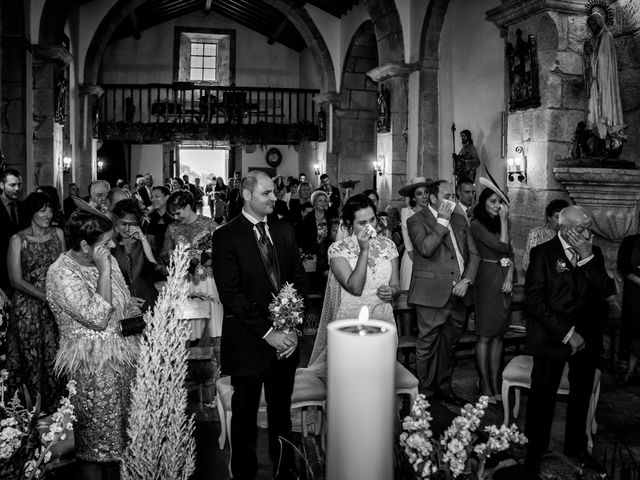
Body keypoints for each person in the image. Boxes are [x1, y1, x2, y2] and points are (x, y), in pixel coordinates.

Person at [212, 171, 307, 480]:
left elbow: (298, 279)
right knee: (244, 418)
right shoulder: (226, 235)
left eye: (273, 192)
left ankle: (285, 471)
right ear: (247, 195)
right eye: (267, 193)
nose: (274, 197)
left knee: (282, 417)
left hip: (286, 344)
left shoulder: (283, 229)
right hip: (249, 342)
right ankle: (244, 474)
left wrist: (291, 328)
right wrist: (270, 334)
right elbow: (232, 295)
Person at [46, 205, 140, 475]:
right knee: (96, 447)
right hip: (92, 370)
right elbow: (98, 318)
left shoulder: (105, 258)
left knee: (121, 443)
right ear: (85, 245)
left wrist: (141, 324)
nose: (113, 243)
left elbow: (127, 306)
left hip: (123, 363)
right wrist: (104, 271)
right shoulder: (62, 273)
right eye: (106, 241)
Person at [524, 205, 615, 474]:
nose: (587, 233)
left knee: (581, 395)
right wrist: (566, 333)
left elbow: (607, 291)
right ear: (563, 229)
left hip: (587, 337)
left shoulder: (593, 252)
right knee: (542, 396)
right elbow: (534, 302)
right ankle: (534, 451)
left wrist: (587, 258)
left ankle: (575, 448)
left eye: (589, 228)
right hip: (553, 337)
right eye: (581, 229)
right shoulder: (542, 254)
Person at [305, 194, 400, 374]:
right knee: (351, 381)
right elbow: (355, 288)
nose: (370, 226)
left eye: (372, 219)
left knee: (381, 379)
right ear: (349, 224)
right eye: (362, 223)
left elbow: (396, 284)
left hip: (384, 322)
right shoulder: (337, 250)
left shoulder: (388, 246)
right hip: (350, 324)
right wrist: (364, 250)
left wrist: (392, 291)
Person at [407, 179, 480, 405]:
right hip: (431, 293)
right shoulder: (416, 220)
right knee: (427, 346)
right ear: (432, 197)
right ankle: (425, 395)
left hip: (460, 292)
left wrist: (466, 280)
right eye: (447, 196)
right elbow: (426, 248)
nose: (451, 201)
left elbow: (474, 255)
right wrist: (442, 220)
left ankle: (444, 389)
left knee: (449, 345)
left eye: (453, 197)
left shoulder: (460, 219)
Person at [6, 192, 66, 413]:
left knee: (54, 356)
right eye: (42, 210)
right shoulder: (18, 240)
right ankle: (29, 412)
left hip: (54, 307)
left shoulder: (57, 234)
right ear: (31, 212)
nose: (48, 214)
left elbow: (63, 269)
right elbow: (15, 280)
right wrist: (44, 297)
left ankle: (56, 412)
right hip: (26, 310)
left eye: (50, 210)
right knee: (30, 357)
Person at [470, 180, 514, 402]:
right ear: (484, 202)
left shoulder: (499, 223)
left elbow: (510, 254)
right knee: (485, 335)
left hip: (503, 278)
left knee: (498, 335)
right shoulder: (477, 224)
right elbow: (501, 247)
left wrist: (509, 276)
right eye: (493, 201)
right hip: (487, 279)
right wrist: (505, 222)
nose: (498, 206)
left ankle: (496, 382)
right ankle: (484, 383)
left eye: (500, 202)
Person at [162, 190, 223, 342]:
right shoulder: (172, 229)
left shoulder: (209, 225)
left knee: (214, 328)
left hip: (208, 281)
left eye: (178, 213)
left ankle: (219, 362)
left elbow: (223, 254)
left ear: (188, 206)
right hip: (184, 282)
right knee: (186, 331)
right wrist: (173, 255)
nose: (175, 218)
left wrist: (204, 257)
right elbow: (163, 254)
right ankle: (187, 363)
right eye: (173, 215)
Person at [111, 199, 159, 312]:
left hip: (149, 303)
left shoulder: (149, 241)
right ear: (116, 222)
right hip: (122, 306)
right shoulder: (111, 246)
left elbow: (157, 270)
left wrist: (143, 240)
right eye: (123, 223)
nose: (127, 229)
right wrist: (125, 299)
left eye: (132, 224)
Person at [583, 11, 624, 139]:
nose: (591, 27)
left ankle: (607, 130)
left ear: (600, 23)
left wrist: (592, 52)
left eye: (593, 24)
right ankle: (594, 130)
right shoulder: (592, 39)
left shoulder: (607, 37)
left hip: (605, 80)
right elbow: (589, 62)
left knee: (605, 104)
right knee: (593, 108)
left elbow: (604, 59)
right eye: (589, 25)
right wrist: (586, 53)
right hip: (595, 81)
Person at [398, 177, 430, 291]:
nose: (424, 196)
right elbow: (407, 240)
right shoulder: (407, 212)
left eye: (426, 192)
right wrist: (418, 262)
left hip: (431, 257)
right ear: (413, 197)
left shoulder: (433, 211)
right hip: (412, 257)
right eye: (419, 194)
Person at [617, 231, 640, 384]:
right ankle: (630, 371)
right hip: (635, 294)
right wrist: (638, 280)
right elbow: (623, 267)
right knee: (635, 330)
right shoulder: (630, 241)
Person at [299, 190, 333, 293]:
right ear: (314, 203)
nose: (323, 203)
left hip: (327, 250)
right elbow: (302, 237)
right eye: (320, 201)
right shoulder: (308, 218)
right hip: (312, 250)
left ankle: (325, 294)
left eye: (325, 201)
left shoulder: (330, 216)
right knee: (314, 277)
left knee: (326, 275)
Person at [522, 199, 570, 272]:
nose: (561, 221)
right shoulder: (536, 233)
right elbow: (526, 263)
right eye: (557, 217)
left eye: (563, 217)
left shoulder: (570, 234)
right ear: (549, 218)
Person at [0, 169, 26, 293]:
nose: (17, 189)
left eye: (19, 185)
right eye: (12, 185)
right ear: (1, 185)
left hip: (20, 271)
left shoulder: (22, 207)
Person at [145, 185, 173, 258]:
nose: (153, 200)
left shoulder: (175, 218)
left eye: (157, 196)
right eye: (152, 197)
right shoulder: (147, 219)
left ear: (167, 197)